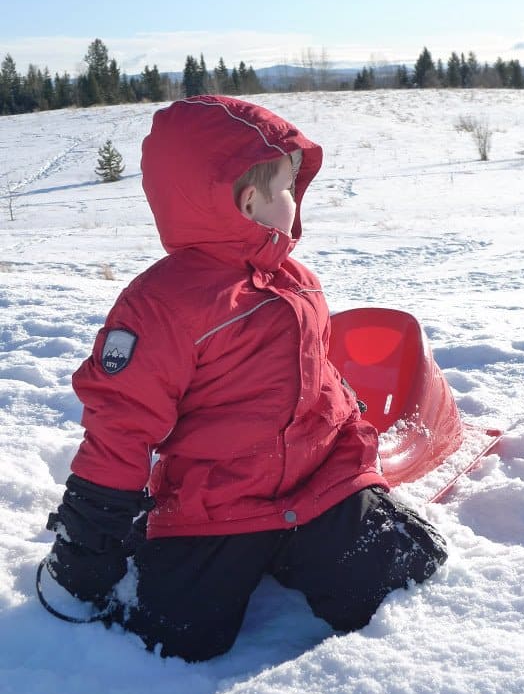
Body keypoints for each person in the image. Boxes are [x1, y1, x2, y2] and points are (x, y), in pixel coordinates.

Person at [45, 95, 447, 661]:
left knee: (404, 572)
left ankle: (299, 546)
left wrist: (351, 431)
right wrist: (88, 541)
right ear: (250, 200)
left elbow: (319, 371)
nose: (295, 202)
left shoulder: (296, 279)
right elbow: (120, 426)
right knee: (176, 641)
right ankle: (151, 547)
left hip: (319, 484)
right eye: (286, 188)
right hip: (217, 504)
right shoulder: (162, 305)